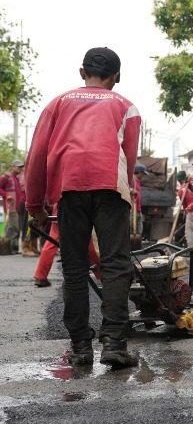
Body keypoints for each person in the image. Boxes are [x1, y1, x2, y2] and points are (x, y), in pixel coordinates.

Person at [24, 46, 141, 369]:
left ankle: (80, 348)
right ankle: (115, 344)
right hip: (110, 188)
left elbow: (37, 156)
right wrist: (123, 192)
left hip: (69, 189)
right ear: (115, 77)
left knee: (74, 268)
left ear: (81, 73)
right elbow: (128, 161)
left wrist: (34, 202)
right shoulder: (127, 107)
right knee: (116, 265)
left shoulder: (57, 104)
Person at [33, 204, 101, 288]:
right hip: (79, 203)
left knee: (51, 243)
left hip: (61, 204)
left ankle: (40, 275)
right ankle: (102, 275)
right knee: (87, 243)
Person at [1, 160, 25, 254]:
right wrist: (6, 194)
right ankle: (8, 248)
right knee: (13, 227)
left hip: (18, 206)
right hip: (10, 206)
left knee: (17, 227)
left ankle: (13, 248)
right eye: (18, 167)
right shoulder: (6, 177)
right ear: (13, 167)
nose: (20, 168)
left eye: (21, 167)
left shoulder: (17, 178)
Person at [131, 163, 145, 241]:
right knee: (132, 229)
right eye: (142, 173)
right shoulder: (132, 180)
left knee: (139, 229)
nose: (143, 175)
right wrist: (131, 191)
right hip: (133, 209)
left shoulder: (137, 181)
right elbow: (126, 188)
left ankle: (137, 244)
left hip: (138, 209)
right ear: (138, 172)